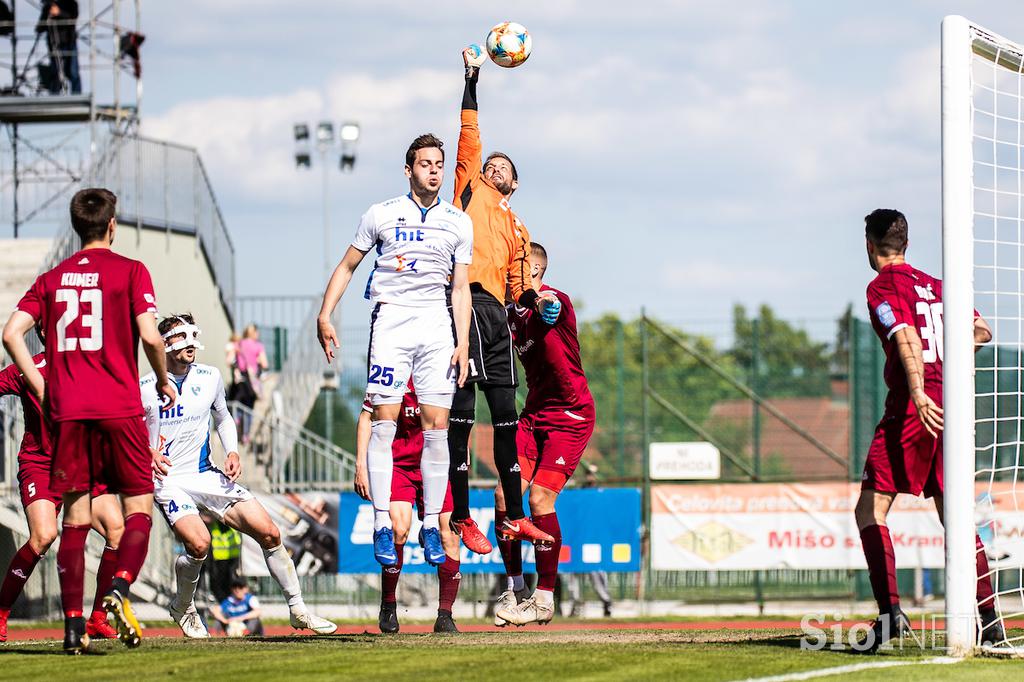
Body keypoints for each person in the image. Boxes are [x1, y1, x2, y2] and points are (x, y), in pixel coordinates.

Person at [2, 187, 174, 653]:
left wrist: (43, 388)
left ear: (77, 226)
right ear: (112, 224)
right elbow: (151, 337)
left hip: (70, 414)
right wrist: (161, 377)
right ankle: (117, 591)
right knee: (138, 512)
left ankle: (75, 627)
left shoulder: (51, 278)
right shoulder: (132, 271)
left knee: (75, 523)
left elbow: (11, 333)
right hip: (118, 408)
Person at [316, 133, 473, 568]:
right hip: (392, 320)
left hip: (436, 325)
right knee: (384, 419)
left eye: (439, 164)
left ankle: (430, 525)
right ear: (409, 170)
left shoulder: (458, 221)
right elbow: (348, 265)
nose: (434, 170)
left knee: (436, 425)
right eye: (425, 164)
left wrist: (461, 342)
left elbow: (460, 288)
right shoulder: (382, 214)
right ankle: (383, 521)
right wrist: (325, 314)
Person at [855, 209, 1003, 651]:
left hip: (914, 410)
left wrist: (919, 390)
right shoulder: (939, 286)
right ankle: (991, 622)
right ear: (906, 242)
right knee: (955, 516)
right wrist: (946, 367)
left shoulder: (881, 286)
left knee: (870, 510)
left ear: (869, 244)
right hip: (952, 408)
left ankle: (891, 615)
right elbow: (982, 329)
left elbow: (906, 340)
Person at [141, 314, 337, 638]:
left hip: (206, 474)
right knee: (200, 544)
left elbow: (224, 417)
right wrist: (145, 451)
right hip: (169, 479)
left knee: (271, 533)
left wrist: (232, 451)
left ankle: (298, 609)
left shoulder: (210, 376)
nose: (191, 345)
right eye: (182, 338)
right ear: (164, 344)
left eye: (193, 337)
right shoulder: (146, 387)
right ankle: (183, 605)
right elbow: (125, 427)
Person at [447, 46, 561, 554]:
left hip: (497, 317)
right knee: (464, 413)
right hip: (463, 299)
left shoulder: (518, 228)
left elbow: (522, 288)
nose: (493, 167)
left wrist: (540, 303)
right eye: (489, 164)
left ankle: (514, 517)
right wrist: (472, 78)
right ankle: (463, 517)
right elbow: (469, 134)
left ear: (514, 183)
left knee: (506, 419)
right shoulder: (470, 186)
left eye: (502, 167)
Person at [494, 243, 596, 626]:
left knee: (539, 499)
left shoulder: (555, 301)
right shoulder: (508, 314)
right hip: (533, 415)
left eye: (512, 270)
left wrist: (542, 303)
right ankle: (516, 587)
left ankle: (544, 597)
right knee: (503, 493)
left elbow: (550, 304)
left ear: (532, 271)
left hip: (570, 417)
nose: (505, 277)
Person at [0, 345, 122, 642]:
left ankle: (97, 619)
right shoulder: (27, 367)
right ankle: (1, 613)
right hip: (40, 466)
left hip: (81, 468)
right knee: (43, 536)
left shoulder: (92, 365)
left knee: (117, 530)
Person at [355, 382, 462, 634]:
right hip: (398, 467)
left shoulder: (438, 371)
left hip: (434, 466)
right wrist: (361, 465)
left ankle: (445, 615)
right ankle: (389, 606)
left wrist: (460, 456)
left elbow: (455, 420)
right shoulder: (392, 366)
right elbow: (366, 417)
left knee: (450, 535)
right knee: (398, 529)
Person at [36, 0, 80, 94]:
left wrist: (59, 13)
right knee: (55, 72)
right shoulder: (47, 8)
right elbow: (39, 28)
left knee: (73, 72)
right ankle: (54, 94)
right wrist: (48, 18)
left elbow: (73, 18)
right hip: (54, 45)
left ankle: (76, 94)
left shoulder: (71, 3)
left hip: (69, 43)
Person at [234, 325, 267, 444]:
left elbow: (232, 359)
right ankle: (245, 436)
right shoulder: (258, 346)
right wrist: (257, 361)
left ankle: (236, 420)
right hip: (252, 379)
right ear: (254, 333)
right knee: (249, 408)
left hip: (241, 377)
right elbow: (265, 364)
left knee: (238, 403)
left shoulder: (240, 343)